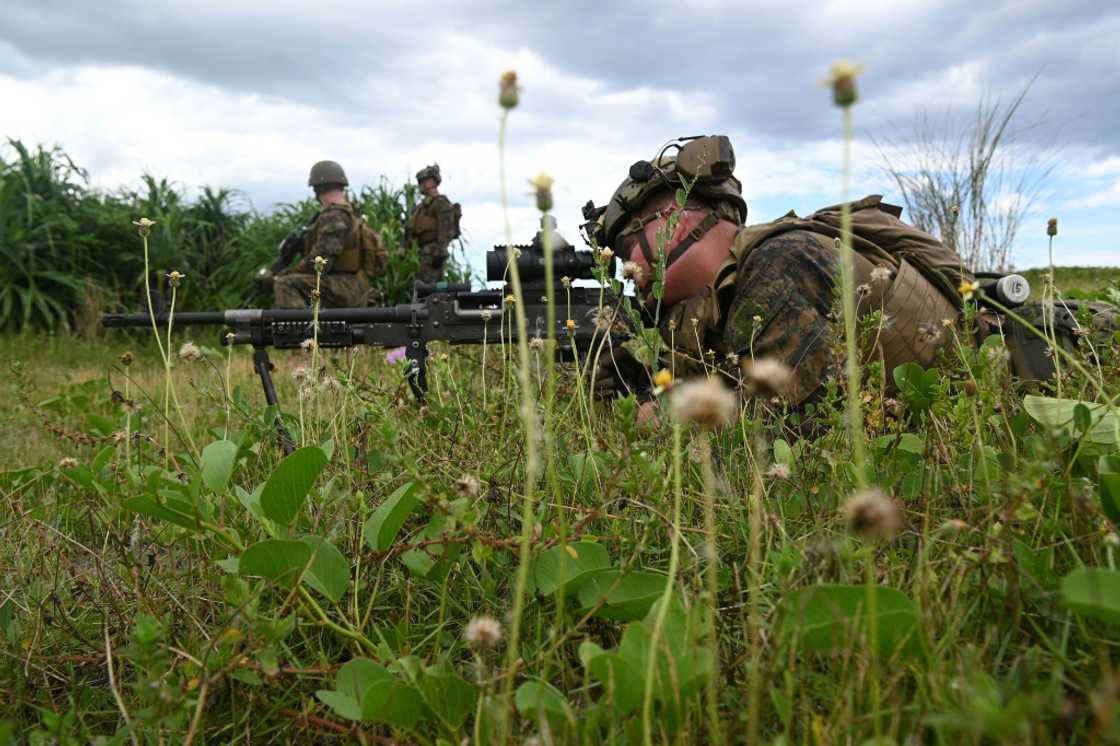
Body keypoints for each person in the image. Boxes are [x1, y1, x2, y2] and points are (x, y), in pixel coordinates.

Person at [589, 135, 974, 408]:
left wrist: (661, 418)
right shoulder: (717, 304)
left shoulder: (782, 260)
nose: (625, 265)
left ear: (676, 217)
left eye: (626, 247)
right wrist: (631, 377)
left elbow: (786, 428)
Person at [273, 160, 387, 308]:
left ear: (318, 189)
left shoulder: (334, 216)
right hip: (357, 284)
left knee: (285, 283)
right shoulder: (352, 213)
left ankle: (300, 330)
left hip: (345, 286)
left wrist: (284, 273)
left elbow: (321, 261)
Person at [404, 164, 460, 283]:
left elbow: (446, 230)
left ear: (431, 182)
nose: (421, 186)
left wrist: (440, 252)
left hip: (433, 253)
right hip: (423, 252)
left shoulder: (440, 203)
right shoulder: (423, 207)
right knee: (422, 287)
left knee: (428, 288)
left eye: (423, 182)